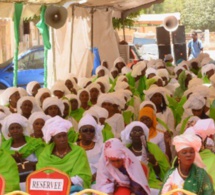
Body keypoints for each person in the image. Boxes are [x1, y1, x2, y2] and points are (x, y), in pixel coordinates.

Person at [37, 116, 92, 193]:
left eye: (64, 135)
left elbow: (83, 176)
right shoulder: (45, 154)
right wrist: (55, 186)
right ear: (53, 139)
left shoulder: (78, 151)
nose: (62, 139)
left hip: (73, 189)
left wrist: (63, 183)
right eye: (59, 137)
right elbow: (40, 175)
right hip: (50, 190)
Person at [121, 121, 170, 194]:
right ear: (130, 135)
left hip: (150, 182)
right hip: (130, 183)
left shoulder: (153, 148)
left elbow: (162, 173)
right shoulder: (125, 151)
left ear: (144, 135)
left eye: (140, 131)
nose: (137, 134)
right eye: (134, 131)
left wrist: (154, 163)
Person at [77, 114, 103, 184]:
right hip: (77, 179)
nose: (88, 133)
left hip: (97, 180)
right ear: (79, 132)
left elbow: (104, 167)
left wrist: (94, 177)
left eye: (91, 130)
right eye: (85, 130)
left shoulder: (101, 147)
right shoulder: (73, 147)